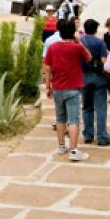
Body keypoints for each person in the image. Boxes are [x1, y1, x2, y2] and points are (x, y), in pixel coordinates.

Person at [43, 20, 91, 161]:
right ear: (73, 32)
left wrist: (47, 86)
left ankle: (61, 146)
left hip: (57, 87)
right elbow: (89, 57)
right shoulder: (77, 47)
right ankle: (74, 150)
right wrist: (78, 41)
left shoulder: (52, 47)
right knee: (74, 120)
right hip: (73, 88)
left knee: (60, 118)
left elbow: (47, 68)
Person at [80, 19, 110, 146]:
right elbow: (104, 61)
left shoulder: (81, 42)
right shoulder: (100, 42)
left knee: (87, 106)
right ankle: (102, 136)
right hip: (98, 77)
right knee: (101, 107)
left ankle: (88, 135)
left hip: (84, 76)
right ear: (95, 29)